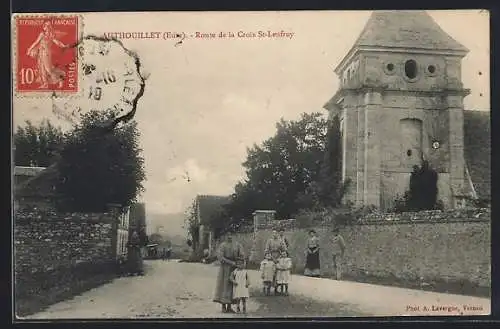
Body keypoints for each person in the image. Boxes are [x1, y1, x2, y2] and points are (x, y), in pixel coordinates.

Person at [26, 20, 68, 89]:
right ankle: (45, 84)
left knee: (48, 69)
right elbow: (36, 42)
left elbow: (57, 42)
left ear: (49, 27)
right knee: (42, 69)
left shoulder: (51, 35)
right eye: (44, 26)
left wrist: (63, 46)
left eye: (46, 26)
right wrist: (30, 49)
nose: (44, 27)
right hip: (40, 53)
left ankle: (60, 79)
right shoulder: (42, 34)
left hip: (46, 54)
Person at [213, 233, 245, 313]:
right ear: (225, 236)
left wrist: (239, 262)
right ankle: (223, 306)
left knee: (232, 287)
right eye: (228, 235)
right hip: (225, 268)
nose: (229, 237)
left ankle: (229, 306)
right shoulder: (223, 245)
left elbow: (242, 255)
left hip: (234, 269)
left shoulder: (237, 245)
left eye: (231, 235)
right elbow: (220, 257)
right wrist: (230, 262)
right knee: (224, 286)